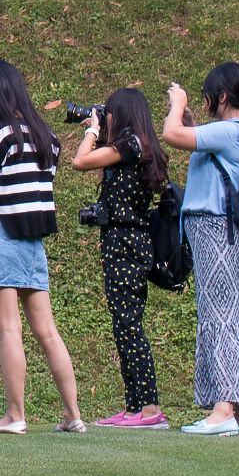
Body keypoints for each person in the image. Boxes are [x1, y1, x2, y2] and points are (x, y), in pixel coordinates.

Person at [0, 59, 83, 434]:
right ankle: (73, 414)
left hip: (2, 232)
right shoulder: (47, 135)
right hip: (33, 240)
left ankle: (15, 415)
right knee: (47, 332)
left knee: (9, 330)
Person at [161, 62, 239, 437]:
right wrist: (192, 123)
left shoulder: (230, 131)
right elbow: (198, 144)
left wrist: (178, 103)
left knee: (220, 314)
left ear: (222, 96)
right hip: (231, 232)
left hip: (217, 231)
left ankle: (223, 410)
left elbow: (170, 134)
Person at [69, 86, 169, 428]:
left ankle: (150, 408)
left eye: (109, 111)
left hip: (127, 243)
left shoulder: (132, 144)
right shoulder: (132, 147)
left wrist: (93, 130)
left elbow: (80, 161)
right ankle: (134, 406)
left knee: (129, 323)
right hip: (121, 241)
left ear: (122, 114)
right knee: (122, 323)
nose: (105, 116)